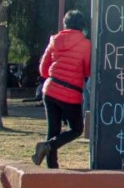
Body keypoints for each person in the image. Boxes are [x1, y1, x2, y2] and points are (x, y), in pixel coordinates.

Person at [31, 10, 91, 169]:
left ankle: (52, 167)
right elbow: (88, 71)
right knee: (77, 129)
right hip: (71, 92)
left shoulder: (54, 41)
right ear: (82, 26)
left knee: (53, 130)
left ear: (65, 24)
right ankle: (49, 146)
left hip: (50, 90)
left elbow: (43, 69)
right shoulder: (85, 44)